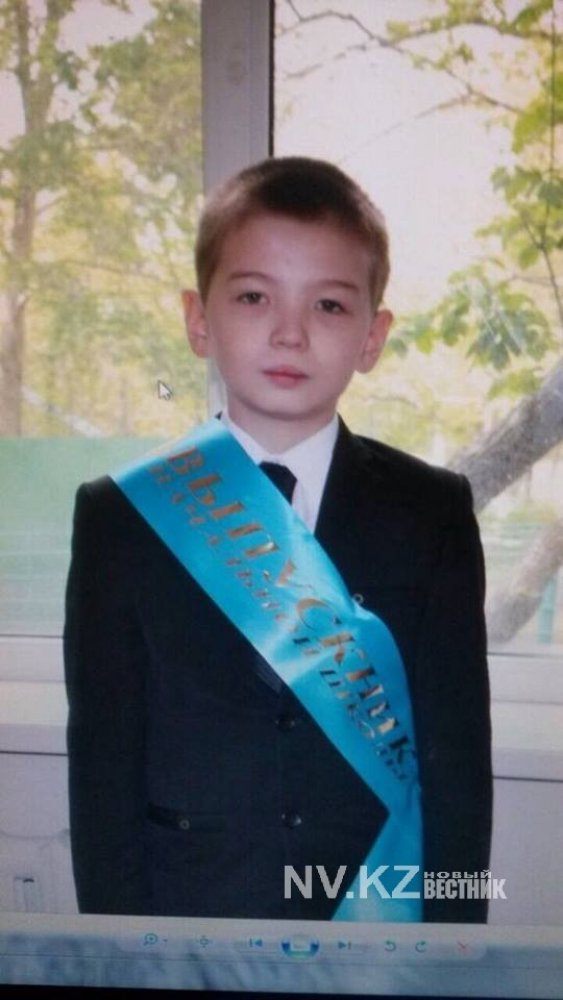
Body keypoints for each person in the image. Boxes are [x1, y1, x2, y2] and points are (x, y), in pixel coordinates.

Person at [64, 156, 492, 923]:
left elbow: (456, 763)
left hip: (375, 923)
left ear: (371, 337)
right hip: (188, 922)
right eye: (254, 296)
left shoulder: (432, 511)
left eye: (328, 305)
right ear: (199, 320)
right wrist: (119, 951)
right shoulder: (120, 516)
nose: (289, 333)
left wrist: (453, 950)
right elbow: (103, 771)